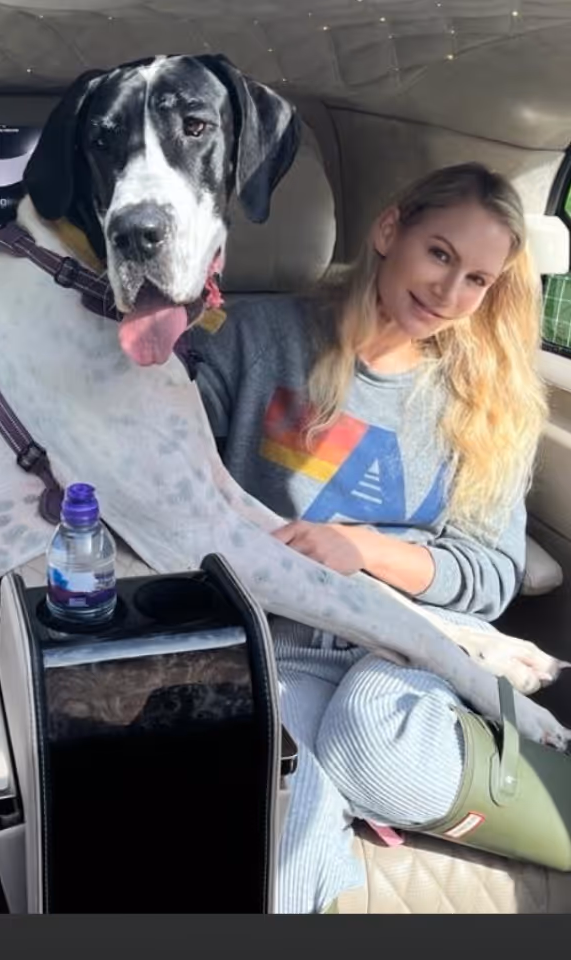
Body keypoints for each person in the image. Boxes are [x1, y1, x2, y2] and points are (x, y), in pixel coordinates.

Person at [192, 162, 549, 913]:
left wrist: (364, 548)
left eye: (477, 280)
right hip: (282, 640)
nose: (449, 293)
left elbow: (491, 575)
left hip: (420, 643)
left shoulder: (487, 400)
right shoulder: (248, 337)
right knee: (280, 811)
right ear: (391, 230)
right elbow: (170, 476)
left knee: (371, 738)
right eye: (440, 254)